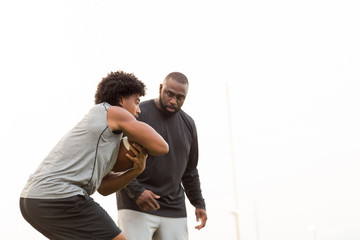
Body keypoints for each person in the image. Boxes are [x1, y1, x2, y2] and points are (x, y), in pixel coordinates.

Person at [19, 70, 169, 240]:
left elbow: (104, 188)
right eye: (136, 102)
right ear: (121, 100)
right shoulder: (112, 112)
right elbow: (161, 146)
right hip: (60, 196)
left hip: (32, 200)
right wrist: (138, 139)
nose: (139, 110)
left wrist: (135, 170)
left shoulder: (103, 134)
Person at [116, 72, 207, 240]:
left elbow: (190, 170)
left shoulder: (189, 124)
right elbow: (115, 161)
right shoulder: (137, 114)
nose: (173, 100)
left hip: (174, 209)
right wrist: (137, 192)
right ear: (160, 88)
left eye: (180, 97)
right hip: (135, 204)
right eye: (169, 94)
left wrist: (198, 203)